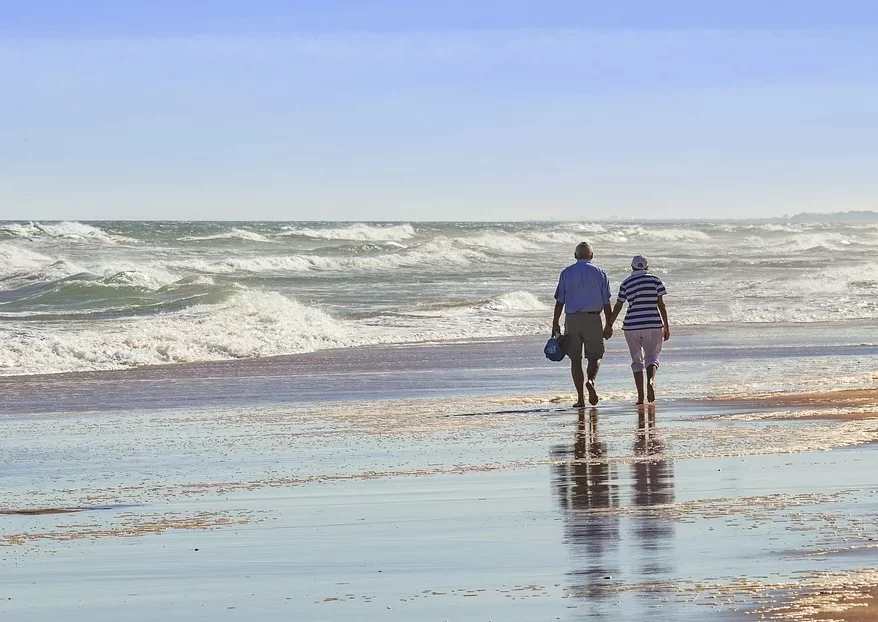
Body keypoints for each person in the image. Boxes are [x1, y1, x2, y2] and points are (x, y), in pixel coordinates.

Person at [552, 242, 613, 407]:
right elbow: (607, 303)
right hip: (593, 319)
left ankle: (580, 399)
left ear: (575, 255)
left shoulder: (566, 273)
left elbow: (560, 302)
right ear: (591, 256)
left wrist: (555, 323)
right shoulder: (600, 274)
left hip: (572, 319)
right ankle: (591, 381)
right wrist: (609, 324)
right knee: (595, 356)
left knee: (575, 360)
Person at [607, 255, 670, 404]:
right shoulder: (655, 280)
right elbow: (661, 305)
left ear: (632, 267)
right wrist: (666, 326)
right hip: (653, 324)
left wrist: (609, 324)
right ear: (647, 267)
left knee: (636, 360)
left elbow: (618, 305)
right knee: (652, 358)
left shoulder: (626, 283)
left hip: (632, 325)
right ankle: (651, 381)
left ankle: (641, 397)